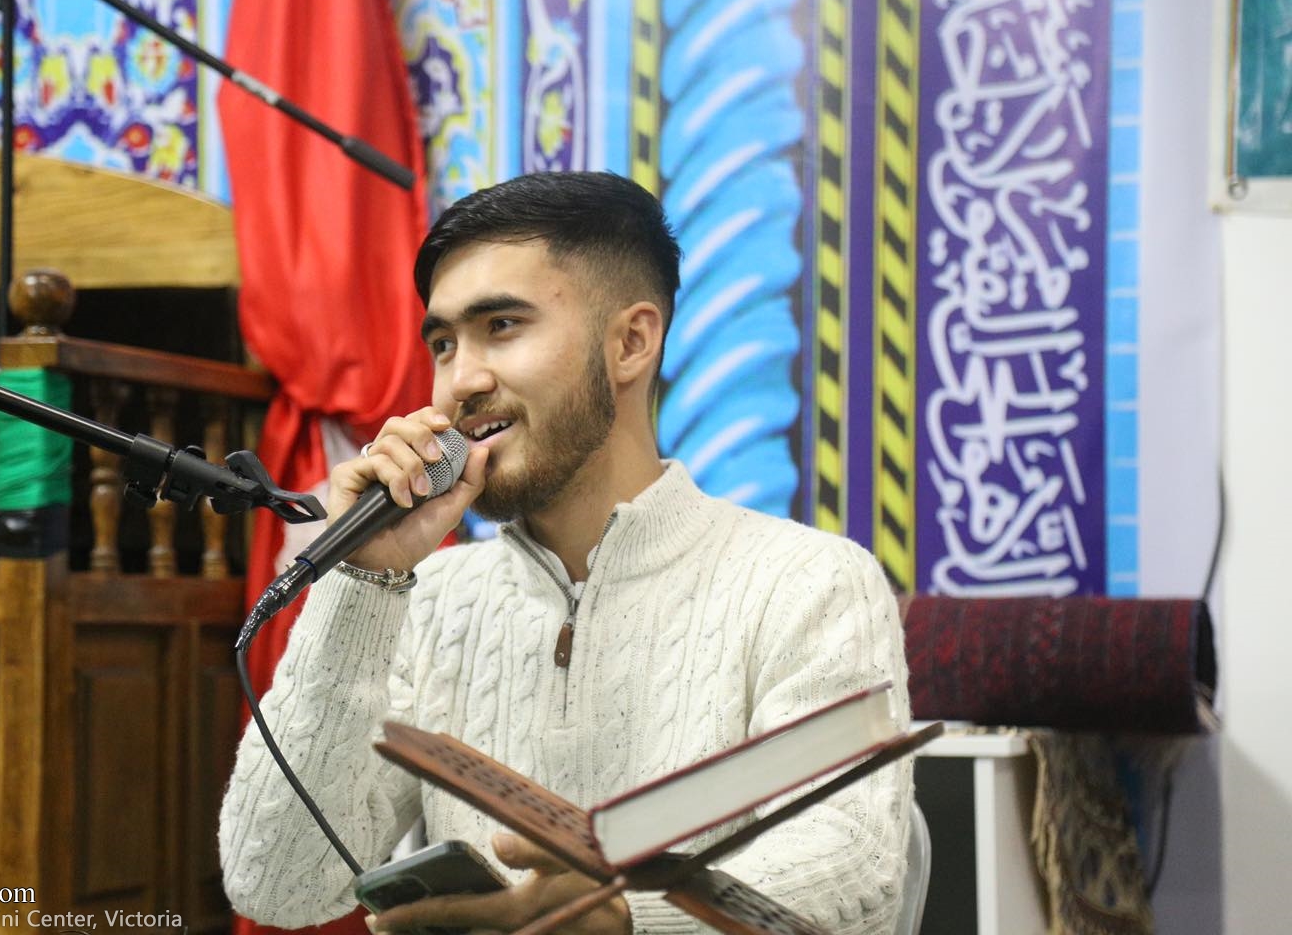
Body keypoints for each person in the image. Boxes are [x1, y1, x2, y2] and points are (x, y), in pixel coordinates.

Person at [219, 171, 911, 935]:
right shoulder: (428, 598)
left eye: (502, 326)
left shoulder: (808, 581)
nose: (460, 381)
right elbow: (273, 885)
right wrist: (360, 582)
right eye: (443, 344)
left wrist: (621, 918)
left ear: (631, 343)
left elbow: (855, 878)